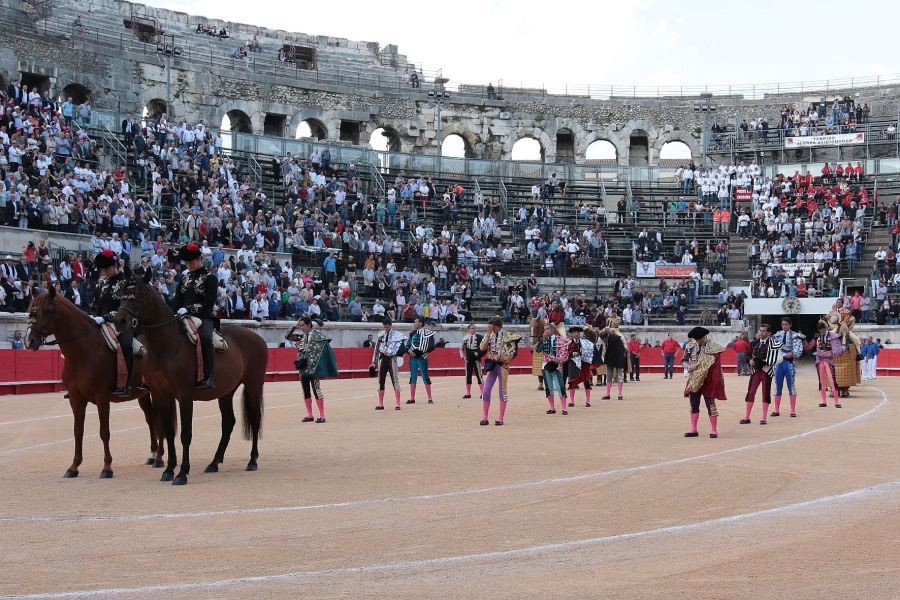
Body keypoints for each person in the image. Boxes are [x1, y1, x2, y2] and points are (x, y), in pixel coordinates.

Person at [172, 243, 219, 390]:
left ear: (200, 258)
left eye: (191, 262)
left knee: (205, 338)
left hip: (203, 316)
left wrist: (188, 308)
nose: (188, 265)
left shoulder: (210, 278)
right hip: (182, 316)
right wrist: (173, 312)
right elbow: (177, 300)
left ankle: (208, 375)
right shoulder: (184, 279)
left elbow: (209, 302)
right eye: (186, 262)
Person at [91, 248, 135, 396]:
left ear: (115, 265)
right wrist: (96, 317)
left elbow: (125, 307)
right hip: (101, 321)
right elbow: (98, 305)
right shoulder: (103, 284)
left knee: (127, 345)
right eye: (102, 269)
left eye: (106, 269)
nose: (104, 272)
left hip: (122, 323)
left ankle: (127, 383)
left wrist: (105, 317)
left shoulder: (127, 283)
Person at [285, 316, 338, 423]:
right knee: (305, 391)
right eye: (300, 326)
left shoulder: (318, 335)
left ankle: (322, 415)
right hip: (303, 368)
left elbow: (325, 347)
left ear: (309, 324)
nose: (301, 328)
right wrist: (295, 325)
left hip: (314, 368)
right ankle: (310, 415)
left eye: (303, 325)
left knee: (316, 390)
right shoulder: (301, 337)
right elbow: (287, 336)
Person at [682, 327, 726, 438]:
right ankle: (693, 429)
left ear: (704, 337)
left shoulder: (713, 347)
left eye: (699, 339)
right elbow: (683, 360)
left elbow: (716, 367)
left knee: (710, 405)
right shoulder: (690, 346)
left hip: (708, 380)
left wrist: (715, 381)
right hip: (695, 379)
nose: (697, 341)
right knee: (694, 404)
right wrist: (688, 366)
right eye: (695, 339)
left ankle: (714, 430)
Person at [478, 316, 522, 426]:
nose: (491, 329)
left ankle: (501, 418)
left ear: (497, 326)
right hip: (492, 367)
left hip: (503, 366)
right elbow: (482, 348)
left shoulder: (507, 335)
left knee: (502, 392)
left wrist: (500, 357)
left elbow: (511, 352)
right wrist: (488, 334)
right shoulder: (490, 335)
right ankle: (485, 417)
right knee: (486, 391)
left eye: (492, 327)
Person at [741, 324, 782, 425]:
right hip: (755, 371)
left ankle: (764, 417)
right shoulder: (754, 343)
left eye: (763, 331)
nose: (761, 332)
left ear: (769, 333)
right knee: (751, 392)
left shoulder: (774, 343)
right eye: (760, 330)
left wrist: (767, 363)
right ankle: (747, 417)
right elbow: (748, 354)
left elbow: (779, 358)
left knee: (765, 393)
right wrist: (749, 360)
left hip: (767, 371)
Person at [770, 317, 805, 418]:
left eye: (786, 324)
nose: (784, 326)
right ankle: (776, 410)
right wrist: (785, 355)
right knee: (778, 386)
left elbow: (798, 351)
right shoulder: (777, 335)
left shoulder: (795, 335)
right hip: (779, 363)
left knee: (791, 386)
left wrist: (791, 354)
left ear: (790, 325)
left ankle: (792, 411)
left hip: (789, 364)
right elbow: (772, 349)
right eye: (783, 324)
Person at [371, 318, 407, 410]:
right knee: (381, 381)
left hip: (392, 359)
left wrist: (392, 353)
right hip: (383, 358)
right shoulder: (380, 335)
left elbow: (402, 348)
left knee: (395, 380)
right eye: (384, 327)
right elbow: (376, 349)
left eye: (387, 327)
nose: (386, 329)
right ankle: (380, 404)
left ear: (390, 325)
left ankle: (398, 404)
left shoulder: (397, 335)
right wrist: (373, 362)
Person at [806, 320, 844, 408]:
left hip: (829, 361)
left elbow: (839, 350)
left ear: (825, 328)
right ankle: (823, 401)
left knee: (832, 380)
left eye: (823, 330)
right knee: (822, 381)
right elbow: (808, 347)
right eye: (820, 330)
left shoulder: (833, 336)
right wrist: (803, 340)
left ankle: (837, 402)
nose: (821, 332)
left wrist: (832, 354)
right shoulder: (817, 337)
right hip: (820, 360)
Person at [539, 320, 570, 414]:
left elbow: (565, 350)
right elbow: (537, 350)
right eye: (545, 329)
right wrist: (543, 341)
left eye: (547, 329)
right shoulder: (544, 340)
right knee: (548, 386)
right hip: (546, 365)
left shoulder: (560, 339)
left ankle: (564, 408)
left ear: (552, 330)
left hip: (556, 365)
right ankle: (552, 407)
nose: (546, 331)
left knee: (560, 386)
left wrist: (558, 360)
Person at [405, 317, 436, 404]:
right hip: (413, 358)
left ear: (421, 323)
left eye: (416, 322)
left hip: (422, 357)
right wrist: (409, 351)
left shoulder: (427, 333)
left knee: (425, 377)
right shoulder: (412, 333)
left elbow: (431, 346)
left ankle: (430, 398)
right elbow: (407, 345)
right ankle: (412, 398)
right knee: (413, 377)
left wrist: (422, 350)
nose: (414, 323)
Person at [566, 326, 595, 408]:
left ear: (580, 333)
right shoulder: (569, 343)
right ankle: (571, 401)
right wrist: (573, 354)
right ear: (572, 334)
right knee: (572, 382)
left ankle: (588, 401)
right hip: (573, 364)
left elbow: (590, 350)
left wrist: (583, 353)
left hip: (583, 364)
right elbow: (565, 353)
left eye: (577, 333)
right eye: (574, 332)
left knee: (586, 382)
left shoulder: (585, 342)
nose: (576, 334)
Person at [599, 328, 627, 401]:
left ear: (606, 337)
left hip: (618, 359)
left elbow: (621, 351)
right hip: (610, 360)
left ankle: (620, 394)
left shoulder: (616, 339)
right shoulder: (606, 341)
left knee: (620, 376)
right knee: (609, 376)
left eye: (603, 339)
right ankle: (607, 394)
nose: (603, 341)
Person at [459, 322, 485, 399]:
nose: (473, 330)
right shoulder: (465, 338)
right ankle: (468, 393)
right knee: (468, 376)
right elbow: (461, 348)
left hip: (476, 359)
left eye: (474, 328)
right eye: (472, 328)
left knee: (479, 375)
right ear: (468, 329)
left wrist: (479, 353)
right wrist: (463, 357)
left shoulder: (480, 337)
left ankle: (482, 393)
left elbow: (484, 347)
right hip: (468, 359)